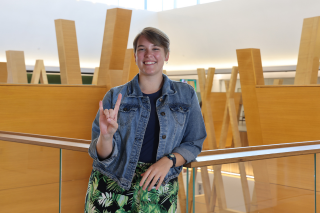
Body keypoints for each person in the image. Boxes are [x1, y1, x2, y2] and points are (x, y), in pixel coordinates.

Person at [85, 27, 206, 213]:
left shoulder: (185, 94)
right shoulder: (115, 95)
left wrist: (169, 161)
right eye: (142, 49)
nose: (148, 54)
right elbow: (102, 155)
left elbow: (194, 141)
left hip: (159, 186)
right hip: (110, 185)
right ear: (135, 56)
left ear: (166, 55)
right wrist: (106, 136)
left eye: (156, 48)